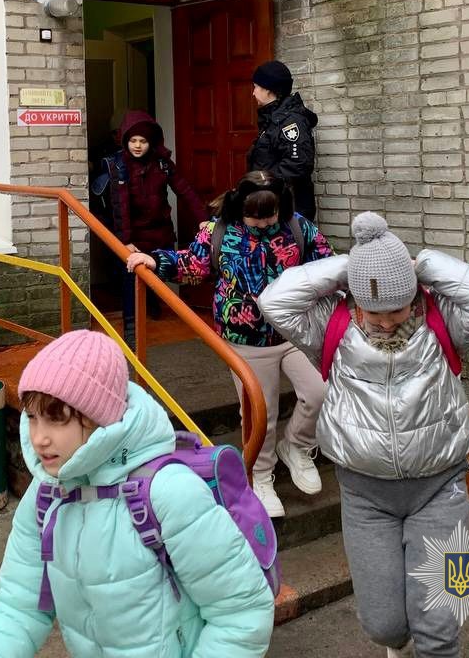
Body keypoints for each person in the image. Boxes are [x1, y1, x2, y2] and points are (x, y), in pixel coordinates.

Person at [258, 212, 469, 658]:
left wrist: (420, 265)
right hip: (364, 496)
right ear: (355, 300)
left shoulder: (443, 320)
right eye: (374, 310)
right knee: (383, 625)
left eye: (397, 308)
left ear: (414, 296)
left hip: (443, 488)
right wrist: (352, 266)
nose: (387, 322)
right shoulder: (330, 325)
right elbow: (274, 299)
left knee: (443, 620)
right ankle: (397, 646)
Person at [0, 329, 275, 658]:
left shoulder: (170, 492)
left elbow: (241, 614)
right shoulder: (46, 495)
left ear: (98, 416)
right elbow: (17, 607)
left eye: (56, 419)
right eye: (33, 418)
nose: (39, 438)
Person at [127, 170, 332, 517]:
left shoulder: (298, 227)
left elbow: (325, 264)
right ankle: (260, 476)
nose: (264, 223)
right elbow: (193, 265)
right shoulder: (218, 231)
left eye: (270, 215)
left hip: (295, 333)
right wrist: (156, 260)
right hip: (245, 341)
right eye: (256, 216)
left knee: (320, 392)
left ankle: (296, 446)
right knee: (260, 413)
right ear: (240, 208)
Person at [92, 110, 208, 348]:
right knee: (130, 281)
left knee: (160, 272)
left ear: (151, 142)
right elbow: (121, 206)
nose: (137, 145)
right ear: (125, 140)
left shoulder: (162, 163)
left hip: (160, 231)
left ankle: (153, 305)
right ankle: (131, 331)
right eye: (133, 140)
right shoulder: (118, 166)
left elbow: (185, 190)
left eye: (143, 141)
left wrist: (203, 219)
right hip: (132, 236)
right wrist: (125, 241)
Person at [247, 60, 319, 220]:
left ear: (268, 89)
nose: (253, 93)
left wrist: (264, 187)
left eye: (256, 87)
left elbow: (297, 166)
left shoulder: (290, 122)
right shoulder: (273, 118)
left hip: (288, 210)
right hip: (271, 206)